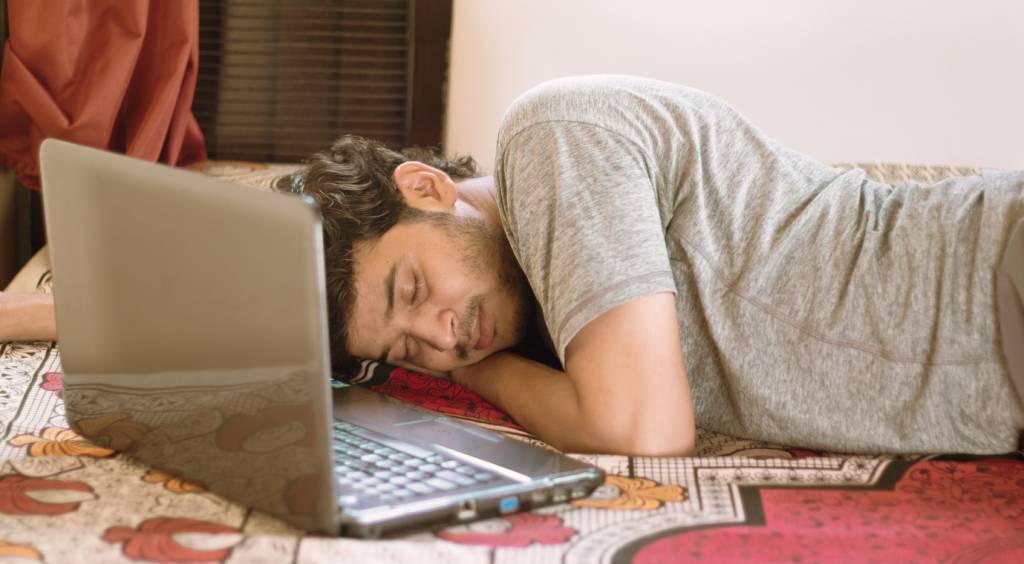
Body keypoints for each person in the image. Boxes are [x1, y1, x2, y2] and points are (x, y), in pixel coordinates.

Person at [3, 76, 1022, 456]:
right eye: (406, 345)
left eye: (414, 296)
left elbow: (642, 429)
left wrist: (459, 369)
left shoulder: (551, 141)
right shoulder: (521, 297)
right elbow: (216, 300)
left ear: (429, 186)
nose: (443, 337)